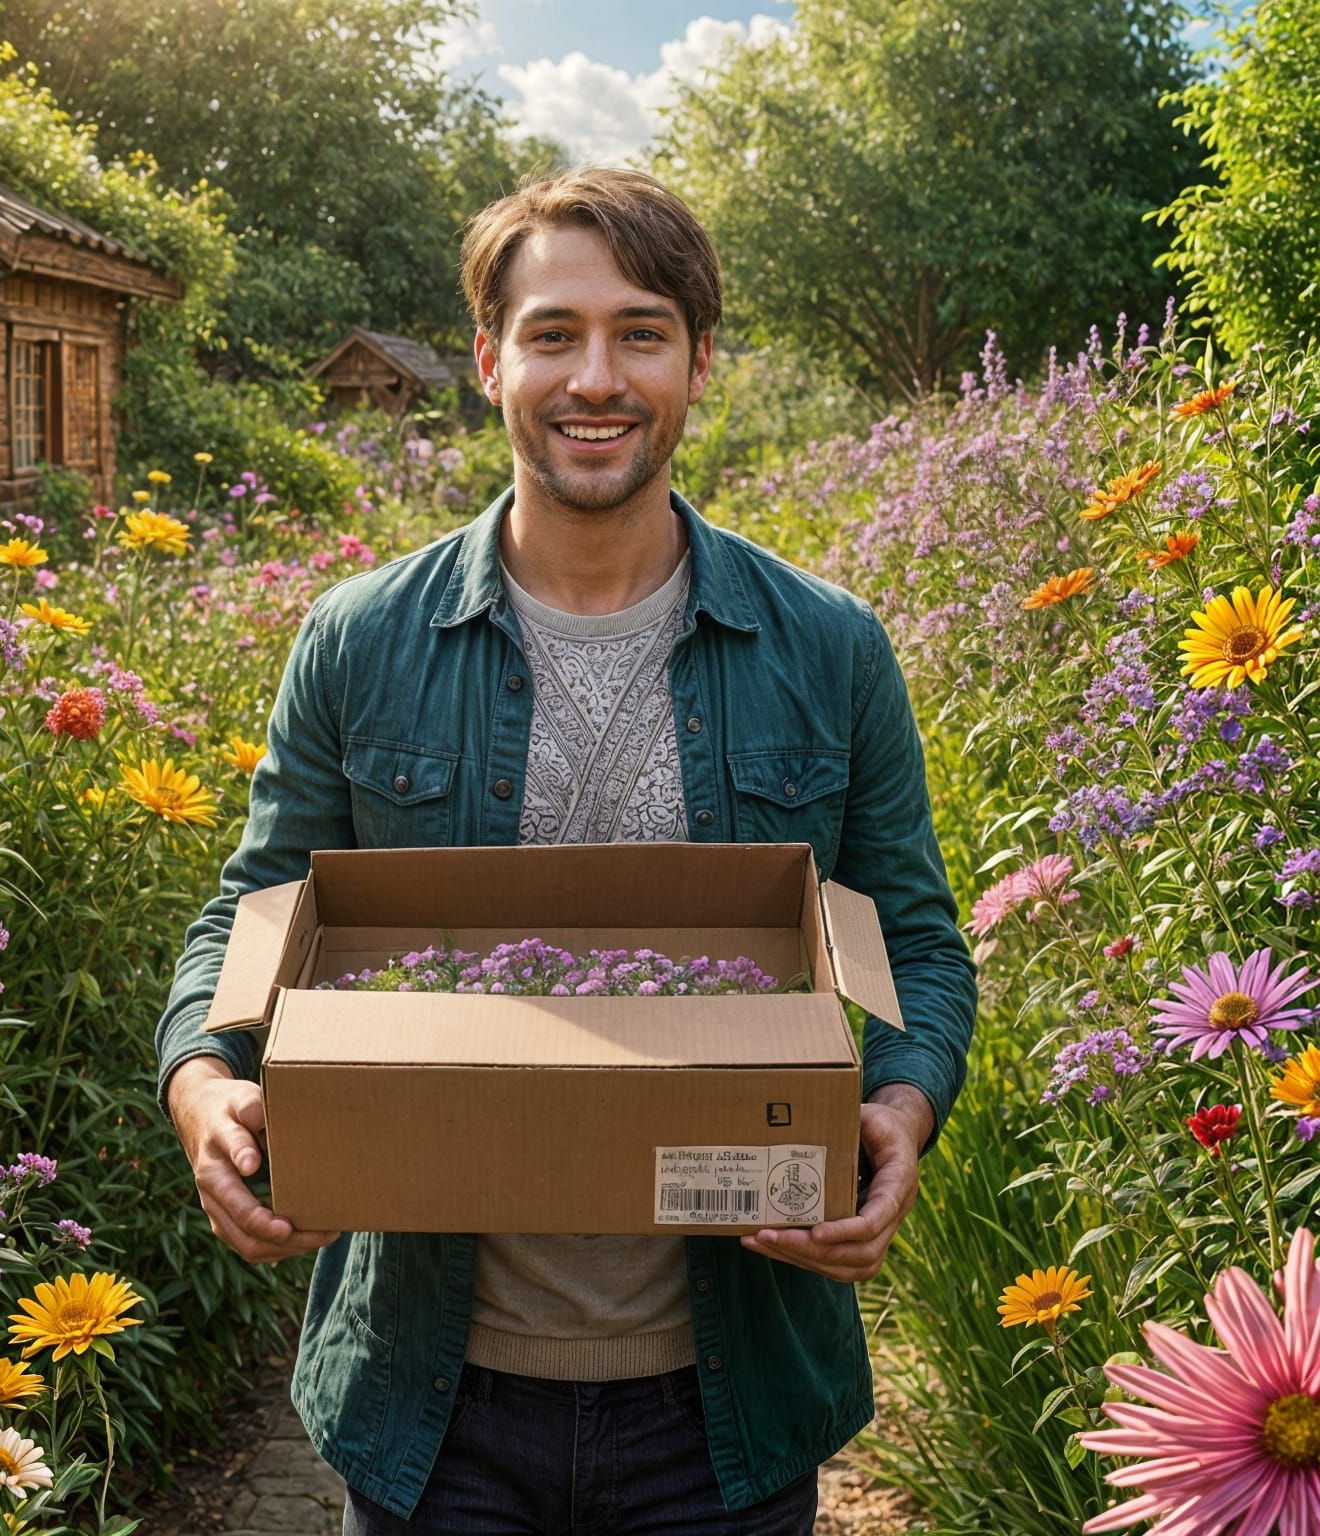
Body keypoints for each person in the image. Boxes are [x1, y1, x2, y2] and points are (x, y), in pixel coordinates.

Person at [155, 167, 977, 1534]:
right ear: (489, 360)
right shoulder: (361, 641)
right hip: (434, 1399)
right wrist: (203, 1079)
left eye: (641, 331)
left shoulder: (828, 648)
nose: (595, 376)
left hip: (728, 1401)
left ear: (699, 363)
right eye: (553, 332)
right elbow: (256, 907)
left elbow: (912, 937)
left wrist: (900, 1105)